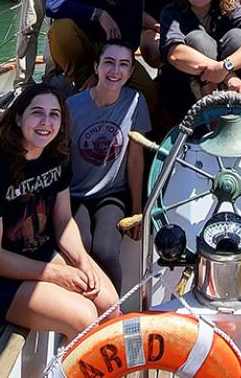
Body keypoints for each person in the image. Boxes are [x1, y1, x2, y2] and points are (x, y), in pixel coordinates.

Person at [0, 84, 119, 335]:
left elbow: (63, 221)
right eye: (37, 112)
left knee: (110, 305)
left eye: (54, 114)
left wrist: (81, 260)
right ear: (18, 117)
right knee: (85, 318)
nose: (45, 121)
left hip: (43, 256)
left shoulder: (56, 157)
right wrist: (56, 275)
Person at [65, 39, 151, 291]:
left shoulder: (136, 102)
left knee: (104, 250)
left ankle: (113, 313)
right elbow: (62, 159)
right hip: (75, 194)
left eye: (123, 65)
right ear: (96, 67)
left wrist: (137, 209)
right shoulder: (72, 107)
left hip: (112, 194)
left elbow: (135, 160)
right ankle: (82, 310)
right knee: (80, 245)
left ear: (131, 72)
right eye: (109, 63)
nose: (115, 71)